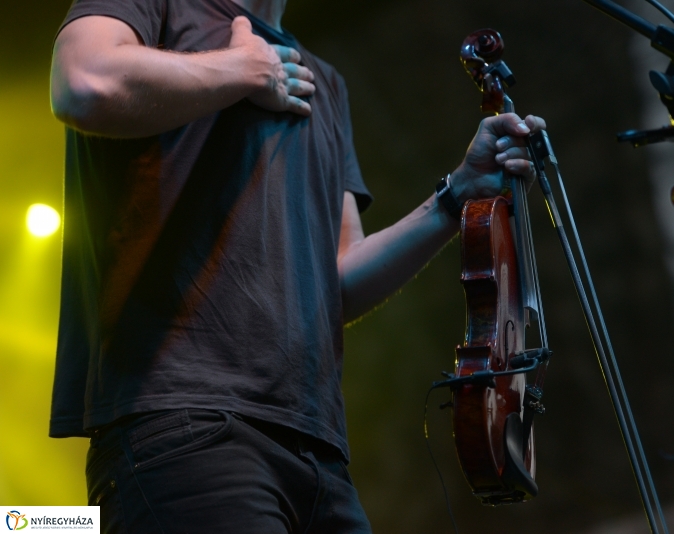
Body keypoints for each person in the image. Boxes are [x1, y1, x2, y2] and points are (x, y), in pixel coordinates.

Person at [49, 0, 545, 531]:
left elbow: (339, 280)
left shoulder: (325, 82)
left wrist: (457, 196)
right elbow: (84, 81)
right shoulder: (165, 7)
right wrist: (242, 68)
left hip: (317, 450)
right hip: (185, 425)